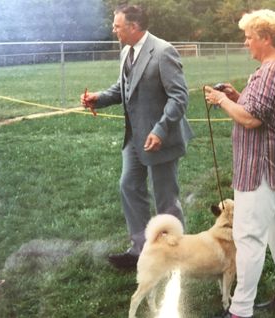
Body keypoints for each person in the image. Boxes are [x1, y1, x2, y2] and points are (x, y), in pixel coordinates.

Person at [80, 4, 193, 270]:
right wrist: (100, 98)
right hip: (135, 137)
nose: (113, 29)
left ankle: (176, 256)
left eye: (117, 26)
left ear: (133, 27)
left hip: (160, 138)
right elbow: (124, 88)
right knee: (129, 186)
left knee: (166, 198)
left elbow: (179, 97)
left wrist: (160, 130)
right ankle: (141, 250)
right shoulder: (125, 51)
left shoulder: (163, 52)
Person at [205, 9, 275, 318]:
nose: (245, 43)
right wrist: (236, 95)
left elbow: (251, 118)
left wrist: (222, 101)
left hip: (261, 168)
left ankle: (240, 309)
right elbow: (260, 107)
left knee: (248, 238)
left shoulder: (272, 70)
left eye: (248, 37)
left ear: (265, 38)